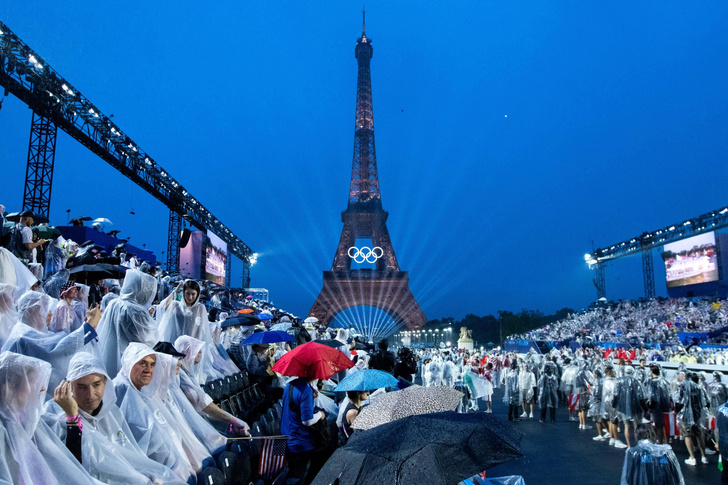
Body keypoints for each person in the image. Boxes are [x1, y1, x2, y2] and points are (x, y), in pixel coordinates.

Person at [44, 351, 185, 484]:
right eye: (81, 387)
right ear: (69, 387)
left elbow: (128, 455)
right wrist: (72, 417)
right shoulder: (55, 417)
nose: (90, 395)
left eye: (96, 384)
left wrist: (146, 476)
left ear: (105, 382)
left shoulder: (110, 412)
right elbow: (73, 470)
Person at [0, 351, 98, 484]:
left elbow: (68, 467)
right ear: (9, 388)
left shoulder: (30, 422)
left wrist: (72, 416)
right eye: (35, 382)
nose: (43, 388)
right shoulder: (5, 429)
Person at [113, 343, 197, 482]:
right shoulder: (121, 388)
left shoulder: (144, 391)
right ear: (129, 363)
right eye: (142, 363)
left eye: (152, 365)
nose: (148, 369)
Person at [2, 290, 101, 393]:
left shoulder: (29, 331)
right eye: (44, 308)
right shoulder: (23, 336)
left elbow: (60, 341)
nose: (50, 313)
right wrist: (88, 326)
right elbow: (55, 351)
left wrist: (86, 325)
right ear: (32, 310)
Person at [97, 270, 159, 378]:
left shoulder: (115, 303)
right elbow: (148, 340)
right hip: (131, 363)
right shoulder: (135, 311)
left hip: (109, 357)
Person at [281, 376, 329, 485]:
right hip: (301, 442)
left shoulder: (290, 385)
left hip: (288, 437)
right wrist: (320, 415)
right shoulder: (306, 390)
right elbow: (307, 421)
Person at [620, 423, 685, 485]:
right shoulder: (666, 451)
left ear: (637, 435)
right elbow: (676, 477)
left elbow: (628, 478)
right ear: (653, 434)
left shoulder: (632, 452)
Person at [676, 371, 709, 466]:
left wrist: (678, 412)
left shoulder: (682, 386)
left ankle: (692, 457)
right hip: (697, 414)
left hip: (685, 415)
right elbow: (704, 401)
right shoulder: (698, 386)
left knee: (687, 435)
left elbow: (678, 401)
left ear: (685, 376)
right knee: (699, 434)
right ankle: (704, 457)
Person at [612, 366, 646, 447]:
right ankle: (638, 444)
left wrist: (614, 405)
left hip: (622, 406)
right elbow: (641, 396)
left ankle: (629, 445)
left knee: (626, 425)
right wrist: (645, 408)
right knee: (636, 426)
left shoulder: (619, 381)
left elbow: (615, 394)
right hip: (636, 407)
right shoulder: (636, 381)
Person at [645, 364, 672, 444]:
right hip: (666, 406)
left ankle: (660, 442)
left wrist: (649, 407)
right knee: (666, 425)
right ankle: (666, 442)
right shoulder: (665, 381)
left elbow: (650, 396)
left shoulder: (652, 382)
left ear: (651, 371)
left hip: (656, 407)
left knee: (659, 426)